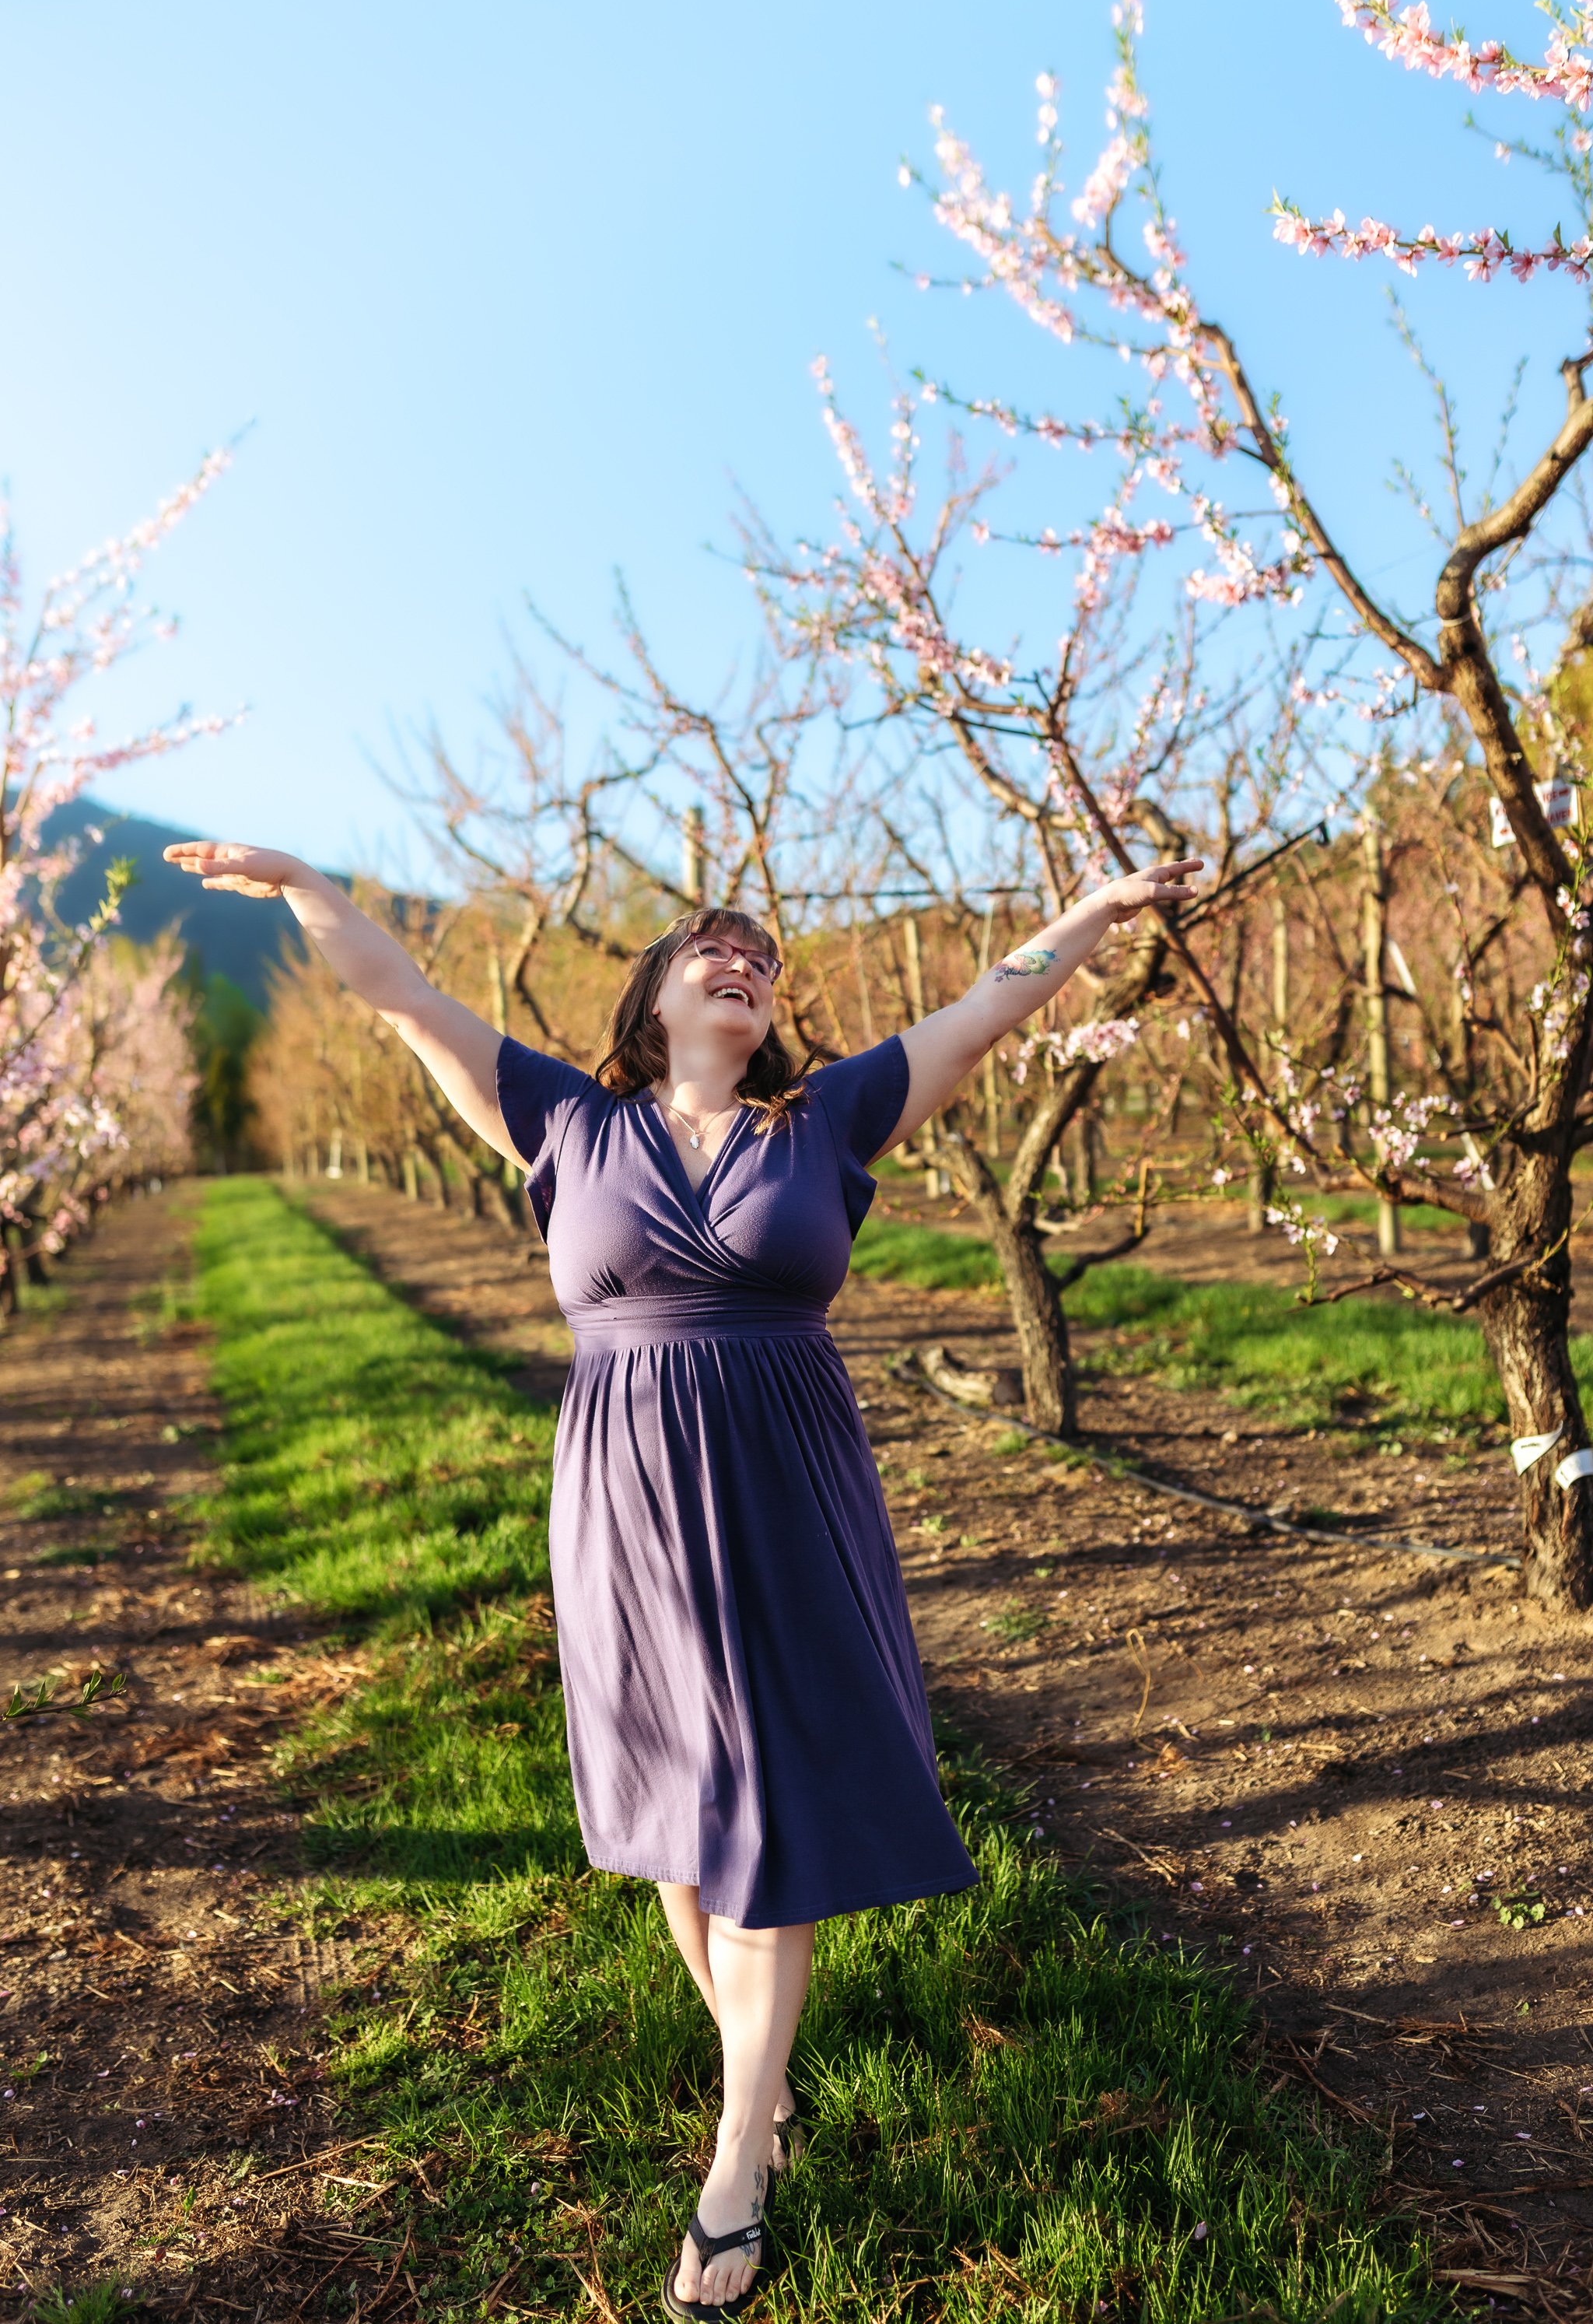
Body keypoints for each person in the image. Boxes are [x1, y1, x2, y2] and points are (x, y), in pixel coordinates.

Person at [164, 837, 1203, 2318]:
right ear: (654, 994)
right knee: (676, 1807)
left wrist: (1090, 917)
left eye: (762, 957)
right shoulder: (565, 1120)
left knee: (771, 1791)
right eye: (709, 948)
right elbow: (401, 996)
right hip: (624, 1493)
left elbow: (990, 1005)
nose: (742, 960)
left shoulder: (827, 1117)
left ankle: (739, 2152)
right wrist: (307, 889)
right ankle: (751, 2065)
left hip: (786, 1480)